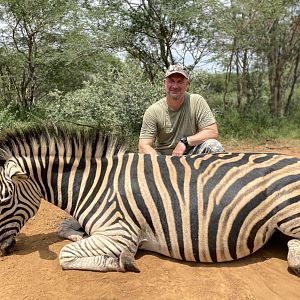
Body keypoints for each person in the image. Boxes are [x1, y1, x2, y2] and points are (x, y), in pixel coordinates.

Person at [138, 64, 224, 156]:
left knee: (214, 146)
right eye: (171, 81)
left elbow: (212, 131)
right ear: (164, 83)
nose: (175, 86)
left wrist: (185, 142)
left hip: (191, 155)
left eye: (180, 82)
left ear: (187, 84)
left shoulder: (196, 101)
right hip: (164, 159)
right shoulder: (153, 111)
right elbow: (143, 145)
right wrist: (160, 162)